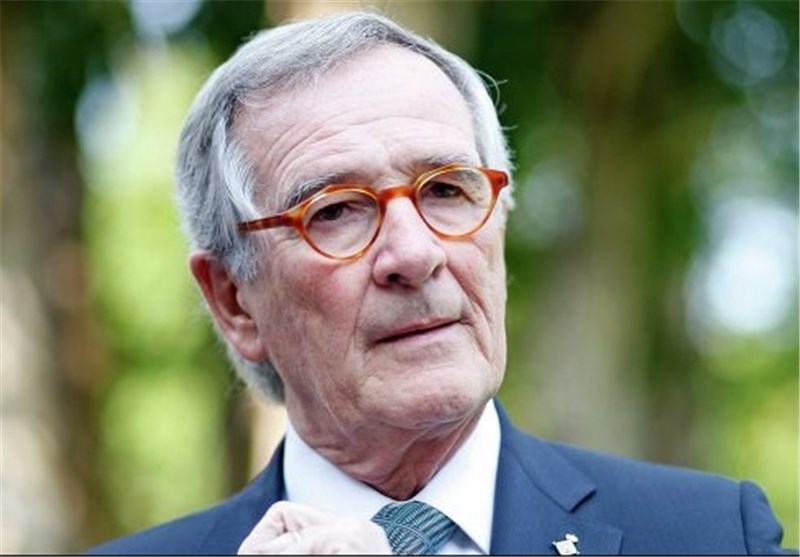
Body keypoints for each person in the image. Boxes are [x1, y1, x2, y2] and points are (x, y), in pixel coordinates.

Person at [88, 11, 792, 556]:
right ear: (234, 300)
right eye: (334, 211)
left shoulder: (713, 534)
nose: (415, 253)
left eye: (447, 190)